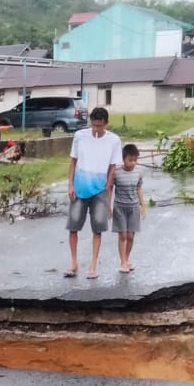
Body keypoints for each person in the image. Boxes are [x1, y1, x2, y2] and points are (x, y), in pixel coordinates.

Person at [65, 105, 123, 279]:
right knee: (73, 227)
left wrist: (108, 187)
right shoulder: (80, 137)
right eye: (94, 125)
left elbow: (113, 166)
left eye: (100, 126)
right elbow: (73, 161)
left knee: (97, 229)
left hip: (100, 190)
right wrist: (70, 184)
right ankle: (74, 263)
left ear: (106, 124)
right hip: (80, 187)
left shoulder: (114, 140)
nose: (96, 129)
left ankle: (93, 266)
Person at [111, 143, 145, 274]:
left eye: (135, 160)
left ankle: (126, 258)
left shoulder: (138, 172)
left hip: (134, 208)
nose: (133, 163)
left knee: (131, 236)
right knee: (123, 235)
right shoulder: (116, 173)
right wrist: (108, 206)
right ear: (123, 158)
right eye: (130, 160)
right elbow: (109, 187)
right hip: (120, 207)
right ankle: (123, 262)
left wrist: (143, 206)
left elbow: (139, 188)